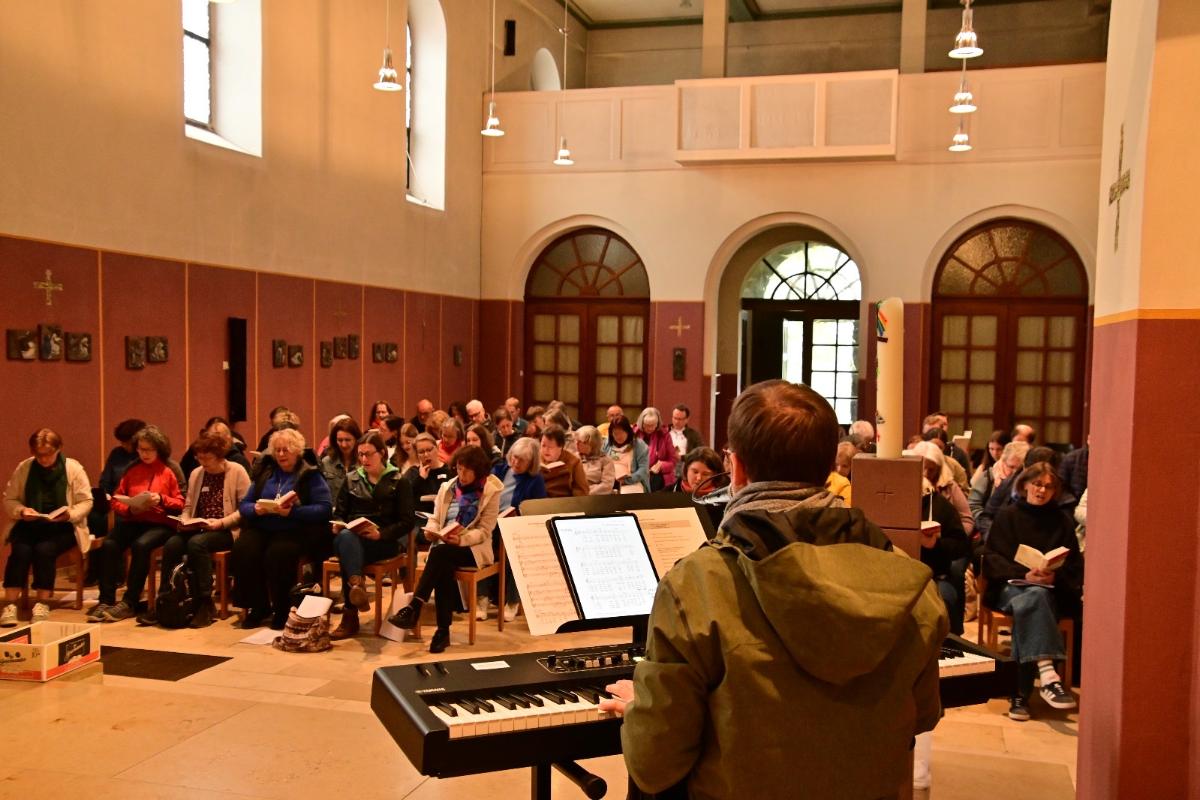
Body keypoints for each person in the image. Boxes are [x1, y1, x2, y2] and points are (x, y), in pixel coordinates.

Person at [599, 380, 947, 798]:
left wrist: (643, 710)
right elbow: (922, 715)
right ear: (828, 469)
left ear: (738, 470)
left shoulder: (697, 583)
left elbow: (656, 763)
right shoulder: (906, 579)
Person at [982, 462, 1082, 720]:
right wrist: (1023, 574)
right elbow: (991, 558)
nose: (1042, 490)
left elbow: (1075, 565)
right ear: (1025, 484)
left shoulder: (1062, 521)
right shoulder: (1007, 515)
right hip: (1010, 586)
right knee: (1032, 599)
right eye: (1037, 484)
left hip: (1050, 590)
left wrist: (1054, 575)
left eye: (1048, 486)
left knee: (1031, 602)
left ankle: (1020, 696)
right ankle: (1047, 673)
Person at [387, 445, 502, 654]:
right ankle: (442, 632)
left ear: (478, 471)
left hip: (472, 548)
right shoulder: (448, 487)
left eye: (467, 470)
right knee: (443, 563)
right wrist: (431, 532)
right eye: (459, 468)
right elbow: (435, 518)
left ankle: (414, 608)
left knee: (440, 555)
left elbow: (485, 531)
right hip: (445, 545)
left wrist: (461, 540)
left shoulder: (491, 490)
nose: (461, 474)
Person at [147, 430, 250, 628]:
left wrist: (220, 523)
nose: (203, 462)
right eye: (199, 458)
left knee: (197, 544)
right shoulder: (196, 473)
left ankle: (205, 602)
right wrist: (185, 520)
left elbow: (244, 510)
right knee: (172, 544)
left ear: (220, 456)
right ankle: (166, 598)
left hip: (225, 529)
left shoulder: (237, 471)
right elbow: (188, 506)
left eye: (207, 458)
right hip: (199, 527)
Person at [234, 428, 332, 630]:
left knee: (277, 554)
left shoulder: (310, 474)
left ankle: (282, 609)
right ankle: (258, 607)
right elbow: (244, 504)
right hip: (264, 526)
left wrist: (294, 512)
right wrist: (255, 509)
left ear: (296, 451)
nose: (280, 454)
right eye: (277, 450)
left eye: (285, 450)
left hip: (295, 528)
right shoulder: (266, 472)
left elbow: (324, 509)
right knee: (244, 549)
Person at [0, 429, 93, 627]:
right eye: (38, 455)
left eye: (48, 454)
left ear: (58, 449)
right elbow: (10, 499)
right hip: (31, 523)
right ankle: (10, 604)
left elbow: (86, 501)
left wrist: (69, 514)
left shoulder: (73, 468)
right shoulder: (25, 468)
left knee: (44, 550)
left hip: (63, 526)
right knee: (20, 551)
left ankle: (42, 602)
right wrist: (22, 510)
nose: (43, 459)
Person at [328, 431, 415, 639]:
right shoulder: (351, 479)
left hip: (383, 542)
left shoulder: (398, 480)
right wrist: (338, 524)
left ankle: (350, 615)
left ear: (382, 453)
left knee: (346, 547)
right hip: (354, 538)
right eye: (360, 455)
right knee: (346, 538)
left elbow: (407, 521)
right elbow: (340, 513)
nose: (364, 459)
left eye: (368, 454)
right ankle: (357, 585)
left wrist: (381, 534)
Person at [95, 425, 186, 622]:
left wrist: (161, 499)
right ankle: (105, 600)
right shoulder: (132, 469)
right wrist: (129, 509)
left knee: (141, 545)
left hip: (162, 524)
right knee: (109, 544)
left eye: (148, 450)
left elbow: (182, 503)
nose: (144, 454)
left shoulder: (170, 469)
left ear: (159, 449)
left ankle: (130, 601)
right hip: (134, 519)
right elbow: (116, 499)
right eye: (140, 449)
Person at [480, 436, 547, 621]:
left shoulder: (535, 480)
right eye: (515, 457)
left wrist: (519, 515)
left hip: (516, 527)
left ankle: (512, 602)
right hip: (492, 522)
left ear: (531, 462)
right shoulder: (499, 470)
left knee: (514, 550)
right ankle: (481, 599)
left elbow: (538, 510)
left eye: (522, 460)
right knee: (480, 546)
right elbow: (484, 495)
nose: (516, 462)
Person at [969, 440, 1029, 523]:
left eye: (1020, 469)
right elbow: (973, 505)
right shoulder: (988, 476)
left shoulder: (1031, 482)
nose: (1015, 472)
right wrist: (989, 524)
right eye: (1011, 467)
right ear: (1003, 462)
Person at [404, 433, 453, 514]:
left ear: (437, 448)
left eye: (429, 450)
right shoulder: (413, 472)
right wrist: (420, 479)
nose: (426, 455)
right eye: (421, 452)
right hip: (418, 517)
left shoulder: (448, 471)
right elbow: (405, 498)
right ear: (417, 454)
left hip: (444, 515)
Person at [319, 416, 362, 503]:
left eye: (348, 440)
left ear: (356, 440)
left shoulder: (363, 463)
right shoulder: (326, 462)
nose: (343, 445)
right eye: (340, 440)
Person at [603, 414, 650, 493]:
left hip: (633, 481)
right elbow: (601, 463)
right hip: (609, 481)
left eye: (621, 433)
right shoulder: (607, 443)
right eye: (615, 434)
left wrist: (626, 480)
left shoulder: (639, 445)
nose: (618, 437)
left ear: (628, 431)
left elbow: (643, 470)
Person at [539, 425, 588, 498]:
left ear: (560, 447)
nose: (546, 450)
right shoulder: (535, 457)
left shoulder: (574, 462)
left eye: (550, 447)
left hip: (562, 501)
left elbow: (581, 490)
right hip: (538, 500)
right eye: (543, 445)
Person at [635, 407, 677, 491]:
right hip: (638, 473)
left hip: (658, 477)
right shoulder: (634, 434)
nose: (650, 428)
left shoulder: (664, 435)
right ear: (641, 423)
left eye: (653, 425)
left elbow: (673, 460)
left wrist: (662, 465)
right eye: (647, 425)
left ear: (657, 424)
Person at [575, 426, 615, 495]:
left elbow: (607, 486)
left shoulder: (606, 461)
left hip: (596, 497)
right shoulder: (574, 457)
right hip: (575, 495)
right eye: (576, 441)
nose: (576, 444)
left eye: (580, 442)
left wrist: (585, 492)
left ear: (592, 444)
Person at [668, 404, 704, 482]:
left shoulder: (693, 435)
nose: (676, 421)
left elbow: (700, 453)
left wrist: (682, 457)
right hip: (667, 464)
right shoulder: (665, 432)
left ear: (687, 419)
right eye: (675, 418)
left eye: (680, 419)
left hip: (685, 464)